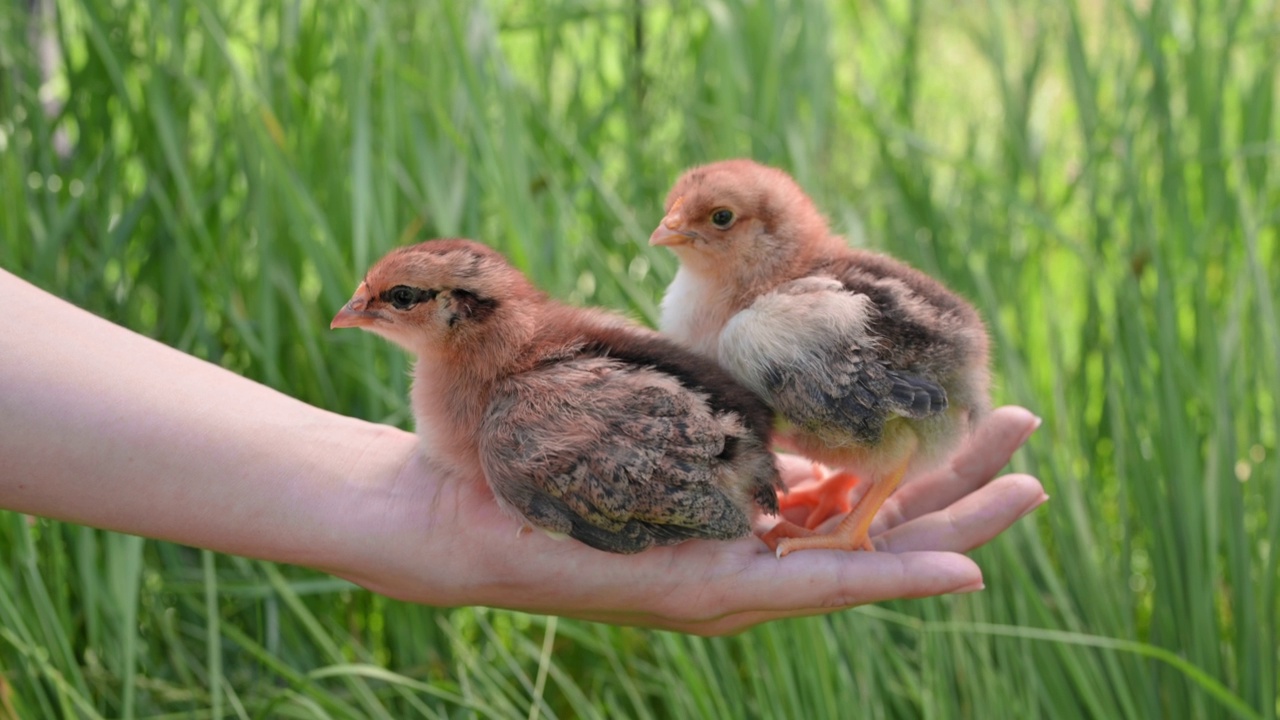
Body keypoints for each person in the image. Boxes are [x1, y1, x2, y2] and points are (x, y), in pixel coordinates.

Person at [0, 268, 1046, 636]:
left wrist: (744, 501)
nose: (361, 313)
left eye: (389, 303)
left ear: (457, 316)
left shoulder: (515, 424)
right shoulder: (509, 402)